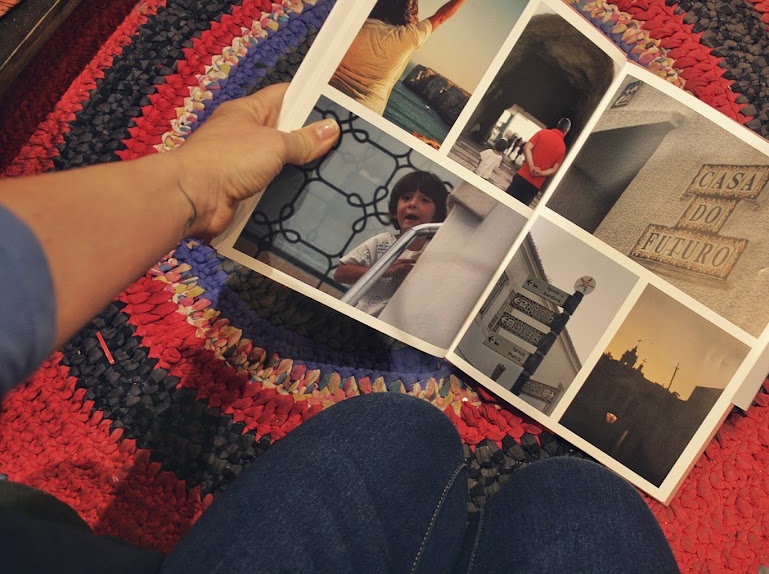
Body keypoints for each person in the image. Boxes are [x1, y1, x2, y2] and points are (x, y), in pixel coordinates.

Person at [0, 85, 679, 573]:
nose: (414, 207)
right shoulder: (391, 238)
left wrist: (186, 186)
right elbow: (355, 268)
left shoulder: (441, 233)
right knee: (584, 501)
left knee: (399, 434)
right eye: (408, 200)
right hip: (379, 314)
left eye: (424, 201)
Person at [329, 0, 484, 115]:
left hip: (328, 92)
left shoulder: (356, 23)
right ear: (404, 11)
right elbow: (440, 17)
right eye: (415, 13)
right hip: (364, 109)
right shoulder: (405, 37)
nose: (417, 19)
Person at [334, 171, 449, 317]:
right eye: (406, 198)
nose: (413, 204)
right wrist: (382, 270)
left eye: (424, 200)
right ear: (395, 211)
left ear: (437, 216)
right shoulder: (381, 242)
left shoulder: (436, 253)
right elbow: (340, 274)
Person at [506, 118, 571, 206]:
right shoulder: (562, 148)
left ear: (557, 125)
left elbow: (527, 148)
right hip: (535, 185)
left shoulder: (542, 133)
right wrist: (540, 173)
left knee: (505, 201)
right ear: (566, 131)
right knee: (519, 209)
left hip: (522, 176)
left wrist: (532, 167)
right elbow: (554, 169)